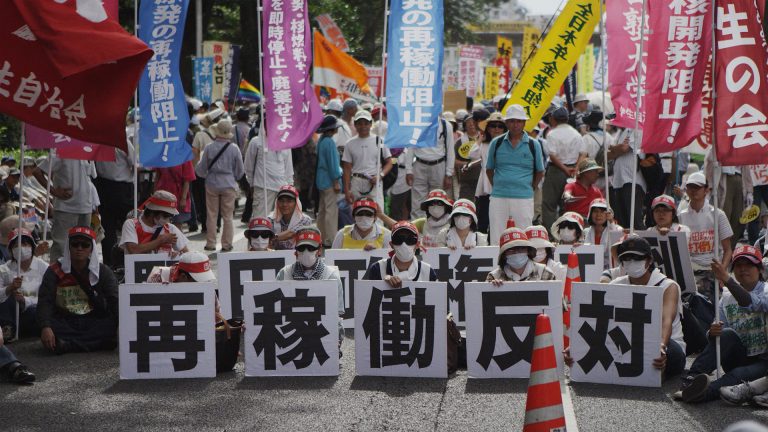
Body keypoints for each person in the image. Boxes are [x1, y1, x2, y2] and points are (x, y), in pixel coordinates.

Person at [680, 245, 768, 403]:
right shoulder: (726, 297)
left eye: (748, 265)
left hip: (763, 361)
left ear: (760, 269)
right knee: (726, 333)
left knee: (738, 375)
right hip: (738, 355)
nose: (743, 269)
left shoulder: (766, 290)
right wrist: (713, 331)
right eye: (738, 265)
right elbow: (716, 331)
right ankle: (691, 379)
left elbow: (751, 303)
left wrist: (727, 279)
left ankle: (701, 393)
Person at [607, 237, 686, 378]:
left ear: (649, 260)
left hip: (666, 343)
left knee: (671, 353)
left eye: (637, 258)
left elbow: (666, 320)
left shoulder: (668, 286)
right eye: (627, 258)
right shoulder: (616, 285)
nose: (632, 262)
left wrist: (661, 345)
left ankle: (657, 374)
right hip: (628, 343)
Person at [37, 226, 119, 354]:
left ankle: (68, 346)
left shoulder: (103, 272)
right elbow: (45, 301)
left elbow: (115, 299)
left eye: (85, 245)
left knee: (111, 325)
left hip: (93, 320)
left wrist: (121, 325)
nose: (79, 248)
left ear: (91, 248)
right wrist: (45, 327)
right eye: (75, 244)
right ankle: (96, 344)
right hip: (65, 320)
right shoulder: (54, 271)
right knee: (45, 326)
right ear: (69, 247)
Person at [276, 226, 344, 348]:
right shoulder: (284, 273)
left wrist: (335, 338)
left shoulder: (331, 275)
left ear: (319, 249)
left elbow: (336, 314)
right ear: (296, 251)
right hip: (290, 333)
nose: (306, 252)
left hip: (320, 334)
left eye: (311, 248)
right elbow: (275, 309)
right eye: (301, 248)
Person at [486, 105, 545, 245]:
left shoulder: (533, 144)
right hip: (499, 196)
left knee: (523, 236)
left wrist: (530, 187)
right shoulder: (496, 143)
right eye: (512, 121)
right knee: (497, 236)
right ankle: (496, 260)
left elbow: (540, 171)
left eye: (519, 121)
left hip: (523, 196)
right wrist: (499, 185)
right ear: (506, 123)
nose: (515, 124)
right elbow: (489, 169)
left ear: (524, 123)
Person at [679, 171, 733, 305]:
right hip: (688, 270)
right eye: (690, 187)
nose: (693, 190)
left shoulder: (718, 215)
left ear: (706, 190)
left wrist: (722, 271)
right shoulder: (680, 216)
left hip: (711, 269)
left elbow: (728, 250)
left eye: (697, 187)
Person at [33, 152, 97, 262]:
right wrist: (54, 191)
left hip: (86, 207)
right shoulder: (60, 151)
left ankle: (79, 272)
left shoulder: (86, 150)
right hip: (66, 208)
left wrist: (94, 203)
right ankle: (57, 272)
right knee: (61, 247)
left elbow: (89, 179)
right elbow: (37, 172)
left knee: (84, 246)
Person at [195, 118, 245, 252]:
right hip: (228, 183)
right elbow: (240, 170)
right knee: (228, 216)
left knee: (211, 214)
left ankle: (211, 243)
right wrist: (234, 177)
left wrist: (206, 175)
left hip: (212, 183)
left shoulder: (209, 147)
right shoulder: (234, 149)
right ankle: (227, 244)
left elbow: (201, 169)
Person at [0, 229, 49, 339]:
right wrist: (9, 288)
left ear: (32, 247)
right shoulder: (3, 269)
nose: (21, 248)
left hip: (32, 312)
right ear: (11, 250)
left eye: (25, 244)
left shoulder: (44, 268)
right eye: (16, 245)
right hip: (9, 314)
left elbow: (47, 298)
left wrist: (24, 300)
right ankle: (7, 330)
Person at [244, 114, 295, 218]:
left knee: (280, 221)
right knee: (261, 220)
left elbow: (288, 168)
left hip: (282, 188)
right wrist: (251, 184)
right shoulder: (256, 143)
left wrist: (290, 186)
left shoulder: (285, 143)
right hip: (262, 188)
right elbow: (248, 166)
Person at [94, 141, 135, 266]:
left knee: (108, 228)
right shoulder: (121, 140)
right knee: (129, 226)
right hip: (120, 188)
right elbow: (135, 164)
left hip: (104, 187)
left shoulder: (97, 140)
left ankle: (111, 263)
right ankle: (128, 261)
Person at [541, 106, 582, 232]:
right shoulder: (576, 133)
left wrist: (564, 169)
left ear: (553, 119)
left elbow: (552, 155)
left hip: (556, 170)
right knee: (567, 205)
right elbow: (583, 153)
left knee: (549, 204)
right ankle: (568, 233)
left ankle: (551, 234)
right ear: (567, 119)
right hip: (572, 170)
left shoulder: (552, 134)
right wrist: (575, 168)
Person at [342, 110, 393, 209]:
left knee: (377, 212)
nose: (363, 126)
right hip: (356, 182)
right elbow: (347, 168)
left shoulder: (380, 141)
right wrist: (347, 190)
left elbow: (389, 162)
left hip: (374, 182)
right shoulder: (349, 143)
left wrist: (380, 175)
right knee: (357, 211)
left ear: (370, 124)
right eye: (360, 123)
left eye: (366, 123)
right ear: (355, 125)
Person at [406, 114, 455, 218]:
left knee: (438, 201)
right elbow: (411, 147)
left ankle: (437, 226)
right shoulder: (417, 124)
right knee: (417, 203)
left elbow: (450, 150)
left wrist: (448, 173)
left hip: (439, 165)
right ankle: (418, 226)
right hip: (419, 164)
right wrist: (408, 170)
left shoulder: (446, 125)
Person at [363, 221, 437, 285]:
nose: (404, 244)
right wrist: (383, 282)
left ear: (417, 244)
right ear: (391, 245)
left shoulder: (428, 272)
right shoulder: (377, 269)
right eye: (398, 239)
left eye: (410, 240)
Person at [120, 190, 190, 257]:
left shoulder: (170, 228)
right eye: (166, 216)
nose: (168, 219)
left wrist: (178, 256)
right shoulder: (131, 224)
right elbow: (133, 250)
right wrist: (161, 240)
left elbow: (186, 254)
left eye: (171, 216)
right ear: (152, 212)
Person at [487, 227, 557, 283]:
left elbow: (555, 296)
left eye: (521, 248)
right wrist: (492, 288)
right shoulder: (494, 277)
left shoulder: (545, 273)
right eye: (511, 250)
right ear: (504, 255)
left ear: (528, 251)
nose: (517, 252)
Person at [608, 128, 646, 230]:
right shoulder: (620, 132)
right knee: (621, 224)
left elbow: (624, 148)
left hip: (633, 181)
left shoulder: (638, 127)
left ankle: (641, 241)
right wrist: (616, 148)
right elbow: (607, 155)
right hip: (618, 181)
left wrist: (613, 148)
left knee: (634, 222)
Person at [469, 110, 500, 233]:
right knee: (483, 219)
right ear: (488, 128)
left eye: (500, 126)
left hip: (502, 185)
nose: (496, 129)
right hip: (486, 186)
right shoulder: (484, 144)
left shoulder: (508, 144)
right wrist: (480, 139)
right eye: (493, 126)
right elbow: (472, 154)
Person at [315, 115, 343, 248]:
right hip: (330, 181)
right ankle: (331, 239)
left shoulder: (321, 140)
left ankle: (321, 236)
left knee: (322, 210)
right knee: (331, 211)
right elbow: (333, 165)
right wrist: (336, 181)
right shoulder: (330, 142)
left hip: (321, 180)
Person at [153, 160, 196, 230]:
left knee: (177, 225)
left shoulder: (184, 157)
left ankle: (177, 237)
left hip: (178, 195)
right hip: (163, 195)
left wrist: (183, 198)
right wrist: (155, 194)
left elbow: (187, 180)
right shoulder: (162, 156)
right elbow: (158, 176)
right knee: (162, 224)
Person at [583, 198, 623, 269]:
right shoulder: (585, 232)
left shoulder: (618, 229)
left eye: (602, 212)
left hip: (612, 271)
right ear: (590, 214)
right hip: (590, 270)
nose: (598, 215)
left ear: (609, 214)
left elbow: (617, 246)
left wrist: (611, 222)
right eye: (595, 211)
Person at [269, 185, 313, 250]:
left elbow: (291, 233)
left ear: (296, 203)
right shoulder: (270, 219)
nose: (284, 204)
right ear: (277, 202)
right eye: (281, 201)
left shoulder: (305, 220)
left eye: (289, 201)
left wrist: (272, 238)